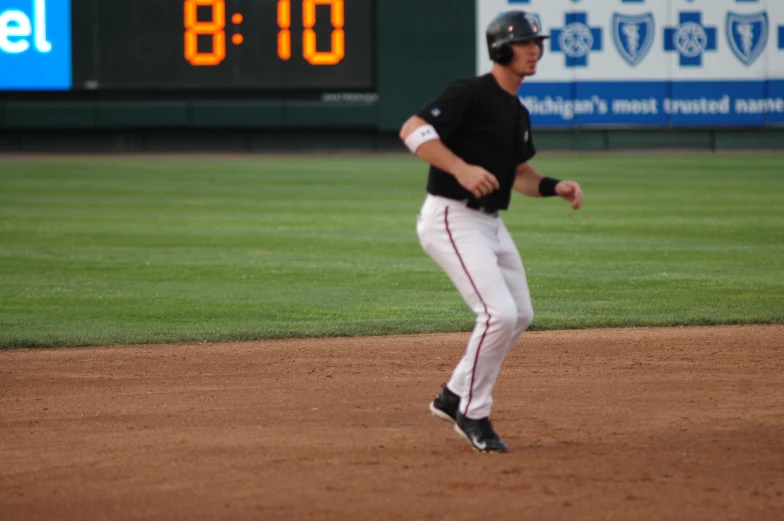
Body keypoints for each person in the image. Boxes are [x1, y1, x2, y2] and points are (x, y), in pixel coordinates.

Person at [398, 10, 584, 453]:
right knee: (497, 314)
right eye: (525, 42)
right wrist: (459, 168)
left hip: (490, 224)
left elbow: (519, 174)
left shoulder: (517, 111)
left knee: (519, 314)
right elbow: (412, 130)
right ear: (501, 48)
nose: (534, 49)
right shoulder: (472, 93)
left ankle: (453, 394)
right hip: (450, 217)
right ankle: (473, 412)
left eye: (538, 42)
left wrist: (554, 186)